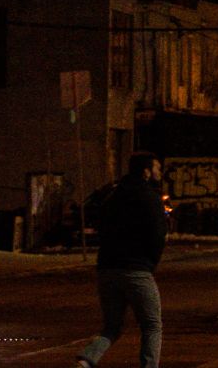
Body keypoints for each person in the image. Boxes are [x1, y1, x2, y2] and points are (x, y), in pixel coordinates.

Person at [76, 152, 168, 368]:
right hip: (137, 269)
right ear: (146, 172)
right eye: (156, 168)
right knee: (152, 325)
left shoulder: (113, 196)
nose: (159, 173)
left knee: (112, 326)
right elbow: (158, 234)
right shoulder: (150, 197)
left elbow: (101, 226)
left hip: (107, 268)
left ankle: (87, 359)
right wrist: (150, 262)